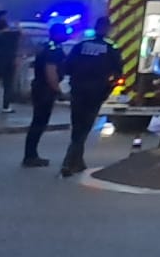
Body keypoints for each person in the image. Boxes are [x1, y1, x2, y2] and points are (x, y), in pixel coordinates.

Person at [59, 16, 125, 178]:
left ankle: (78, 161)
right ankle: (68, 162)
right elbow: (118, 74)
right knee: (85, 126)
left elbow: (66, 67)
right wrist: (108, 89)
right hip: (96, 91)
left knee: (77, 125)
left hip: (78, 89)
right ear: (107, 29)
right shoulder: (111, 48)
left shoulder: (80, 45)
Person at [22, 29, 66, 168]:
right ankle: (30, 156)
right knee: (39, 123)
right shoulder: (53, 51)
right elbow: (50, 72)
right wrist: (58, 91)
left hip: (40, 88)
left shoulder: (48, 47)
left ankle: (31, 155)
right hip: (45, 90)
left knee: (38, 122)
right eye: (64, 33)